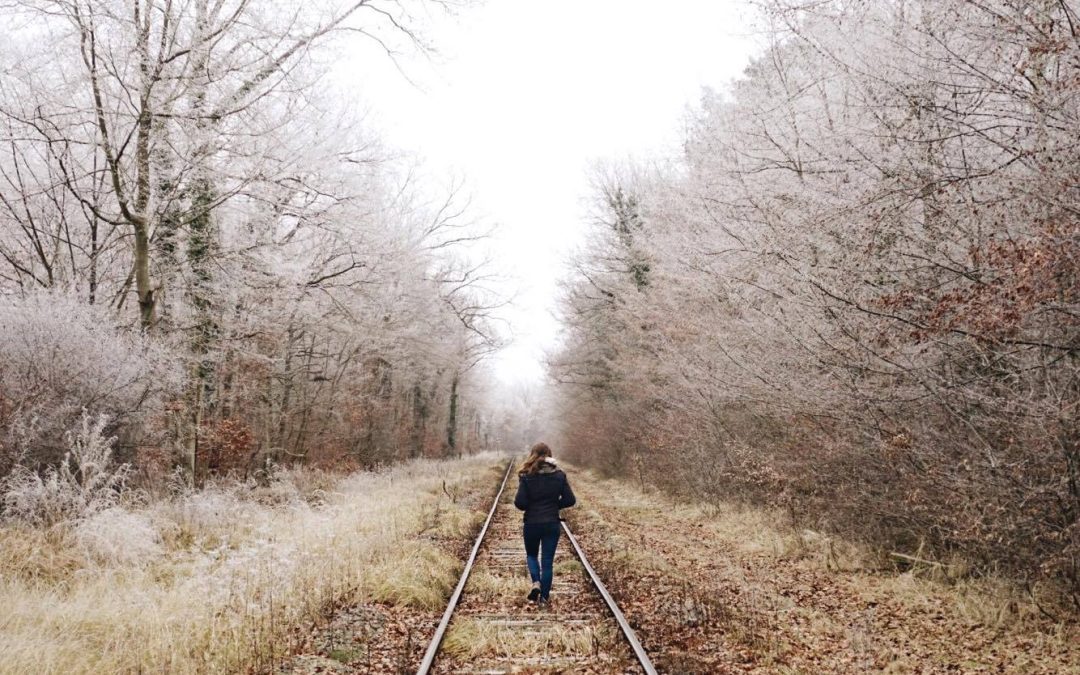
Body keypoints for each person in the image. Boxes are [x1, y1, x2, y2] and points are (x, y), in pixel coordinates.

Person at [513, 442, 576, 605]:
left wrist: (532, 506)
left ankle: (536, 583)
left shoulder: (526, 476)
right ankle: (544, 599)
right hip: (551, 523)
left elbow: (520, 503)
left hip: (532, 523)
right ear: (549, 455)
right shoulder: (559, 475)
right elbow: (570, 500)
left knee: (532, 555)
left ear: (532, 454)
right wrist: (554, 505)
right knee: (547, 562)